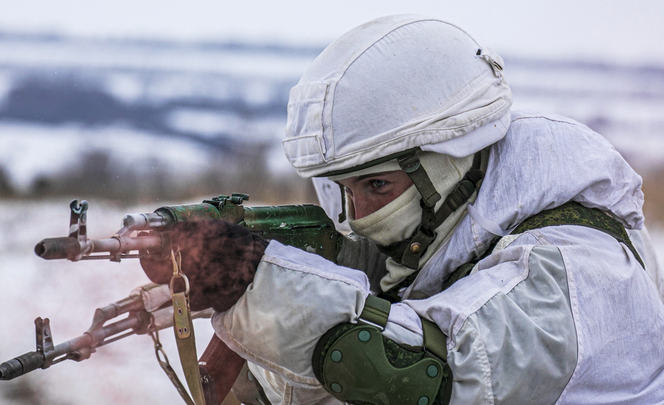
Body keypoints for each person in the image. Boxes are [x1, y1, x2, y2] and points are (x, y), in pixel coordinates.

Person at [142, 15, 664, 404]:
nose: (357, 216)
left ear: (447, 162)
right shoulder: (448, 234)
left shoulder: (578, 268)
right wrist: (241, 321)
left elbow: (422, 375)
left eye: (375, 185)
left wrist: (260, 282)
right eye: (339, 190)